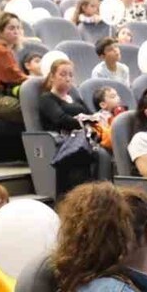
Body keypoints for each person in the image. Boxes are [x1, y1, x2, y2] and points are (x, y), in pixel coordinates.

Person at [39, 59, 112, 193]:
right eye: (63, 74)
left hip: (86, 138)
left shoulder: (75, 98)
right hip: (66, 142)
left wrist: (93, 119)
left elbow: (91, 116)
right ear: (52, 76)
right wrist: (85, 121)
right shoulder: (47, 98)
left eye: (71, 75)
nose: (68, 78)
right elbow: (61, 119)